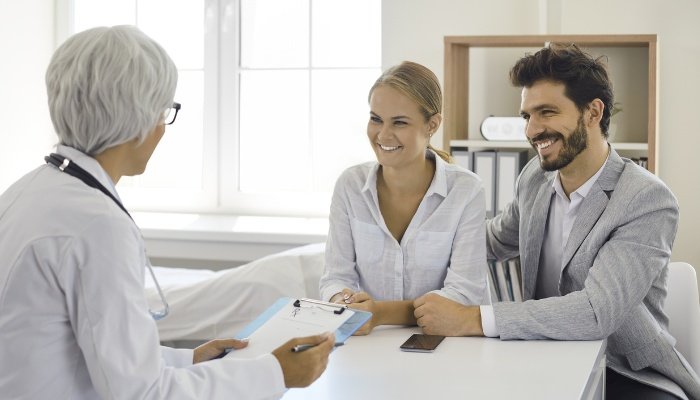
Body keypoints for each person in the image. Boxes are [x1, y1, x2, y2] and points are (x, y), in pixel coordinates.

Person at [0, 25, 334, 399]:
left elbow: (79, 346)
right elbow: (143, 393)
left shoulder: (26, 191)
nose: (163, 126)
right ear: (138, 120)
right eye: (164, 110)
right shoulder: (97, 225)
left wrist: (189, 359)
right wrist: (276, 373)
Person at [413, 44, 700, 399]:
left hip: (626, 372)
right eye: (527, 117)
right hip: (542, 355)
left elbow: (597, 312)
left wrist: (472, 318)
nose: (533, 130)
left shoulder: (645, 199)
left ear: (593, 112)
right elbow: (494, 240)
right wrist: (414, 234)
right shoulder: (535, 176)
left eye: (546, 112)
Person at [318, 61, 488, 334]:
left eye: (399, 122)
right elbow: (336, 278)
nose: (383, 134)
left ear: (432, 124)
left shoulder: (466, 191)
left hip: (445, 344)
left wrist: (379, 313)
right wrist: (345, 304)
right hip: (368, 343)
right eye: (376, 119)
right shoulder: (350, 186)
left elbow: (464, 294)